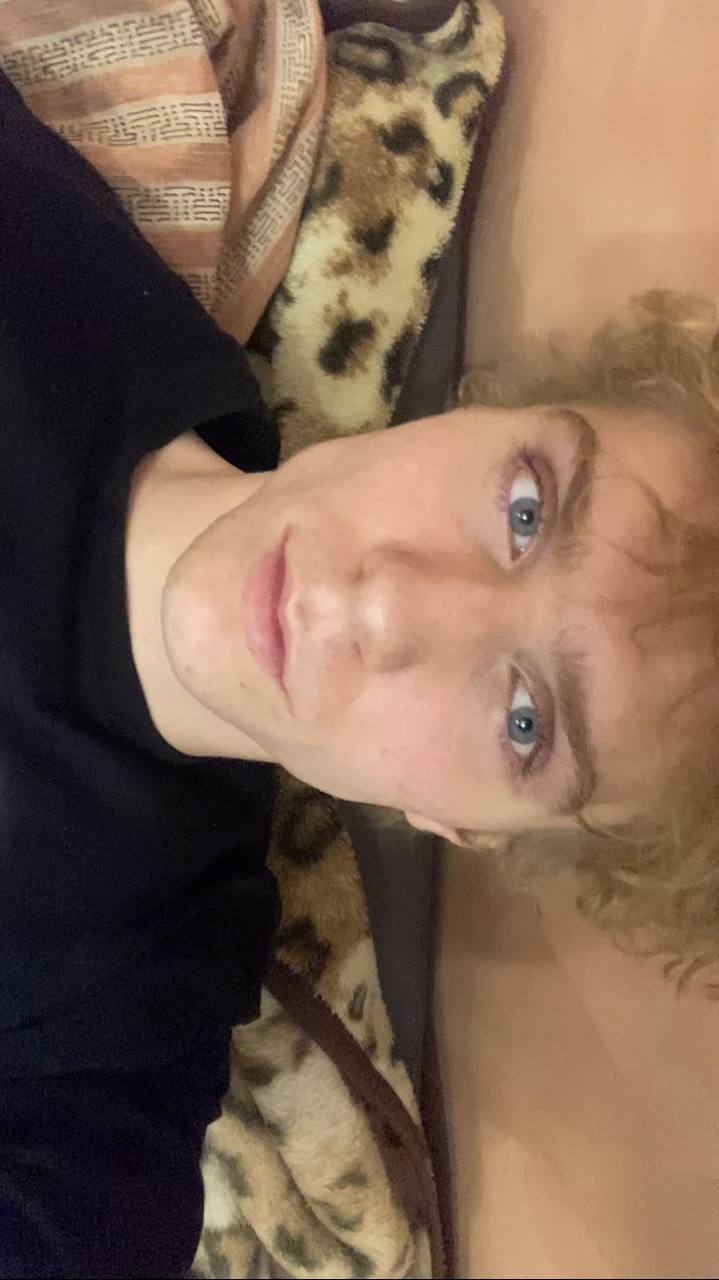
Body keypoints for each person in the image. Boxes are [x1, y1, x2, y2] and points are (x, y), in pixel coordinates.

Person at [1, 32, 718, 1279]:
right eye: (523, 507)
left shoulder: (114, 1033)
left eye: (524, 721)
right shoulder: (44, 272)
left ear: (459, 824)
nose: (389, 607)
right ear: (478, 410)